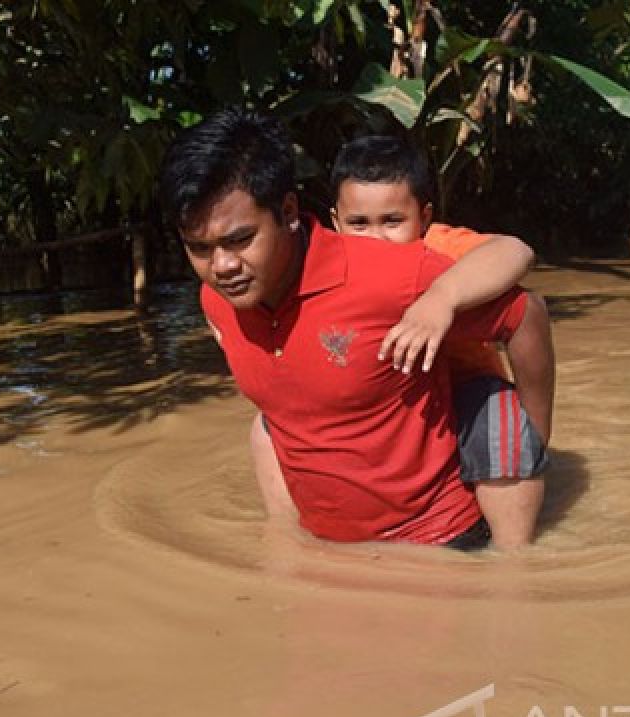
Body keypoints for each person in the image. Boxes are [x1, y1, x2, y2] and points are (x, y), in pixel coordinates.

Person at [159, 108, 555, 550]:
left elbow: (526, 314)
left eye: (240, 240)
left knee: (495, 418)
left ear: (288, 211)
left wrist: (536, 437)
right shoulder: (217, 300)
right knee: (265, 425)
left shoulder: (397, 273)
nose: (223, 266)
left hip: (438, 548)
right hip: (327, 556)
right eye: (199, 248)